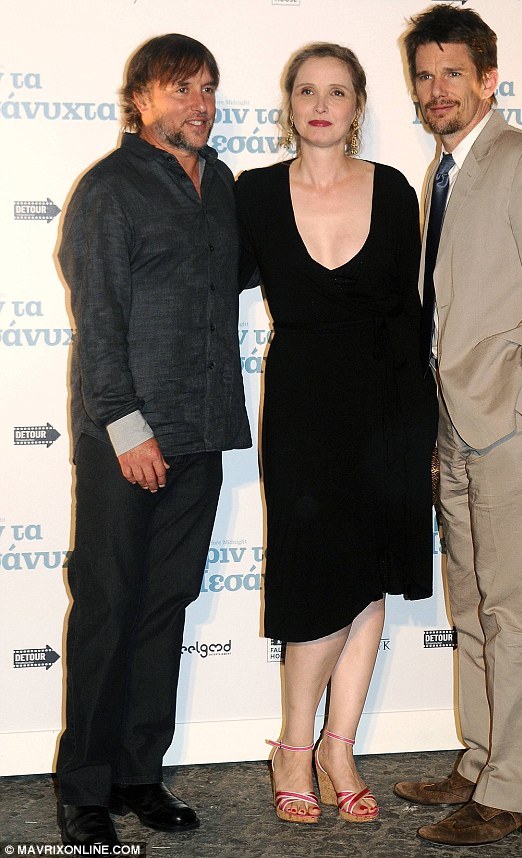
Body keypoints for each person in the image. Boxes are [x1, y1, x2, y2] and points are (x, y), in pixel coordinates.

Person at [393, 5, 522, 847]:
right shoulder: (441, 173)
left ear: (488, 79)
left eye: (452, 73)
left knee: (514, 610)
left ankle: (513, 790)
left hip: (505, 422)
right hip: (452, 423)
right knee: (471, 605)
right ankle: (479, 762)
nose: (436, 89)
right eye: (424, 75)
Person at [56, 34, 251, 846]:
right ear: (140, 100)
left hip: (201, 430)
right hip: (127, 439)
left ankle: (139, 775)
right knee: (109, 606)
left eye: (207, 88)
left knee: (164, 607)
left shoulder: (224, 185)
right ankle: (84, 790)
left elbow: (237, 276)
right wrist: (127, 428)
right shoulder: (109, 188)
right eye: (181, 89)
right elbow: (98, 319)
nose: (199, 104)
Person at [236, 42, 438, 825]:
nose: (321, 105)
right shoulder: (254, 193)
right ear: (289, 103)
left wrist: (421, 428)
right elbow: (208, 282)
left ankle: (338, 748)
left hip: (386, 403)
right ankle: (294, 746)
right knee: (317, 577)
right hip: (303, 405)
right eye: (307, 91)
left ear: (358, 107)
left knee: (370, 578)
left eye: (338, 92)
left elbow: (412, 317)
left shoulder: (392, 188)